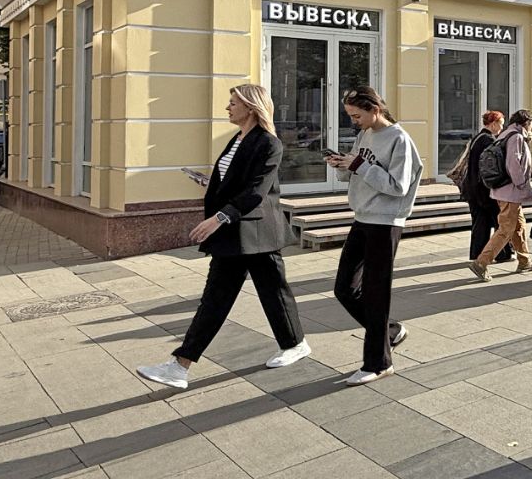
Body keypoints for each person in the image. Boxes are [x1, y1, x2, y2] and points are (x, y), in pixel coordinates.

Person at [137, 85, 307, 390]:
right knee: (224, 297)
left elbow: (256, 190)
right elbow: (236, 181)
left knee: (269, 293)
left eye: (233, 103)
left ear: (251, 107)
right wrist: (212, 184)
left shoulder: (269, 143)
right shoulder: (237, 139)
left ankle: (293, 344)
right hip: (237, 232)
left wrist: (219, 218)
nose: (227, 108)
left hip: (256, 231)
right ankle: (181, 366)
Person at [326, 87, 422, 386]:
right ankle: (390, 331)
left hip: (386, 221)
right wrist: (342, 165)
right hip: (362, 217)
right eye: (350, 116)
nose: (354, 121)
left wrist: (360, 165)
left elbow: (398, 186)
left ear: (375, 110)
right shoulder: (364, 134)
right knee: (344, 288)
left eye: (357, 115)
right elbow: (357, 171)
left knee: (375, 293)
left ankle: (378, 363)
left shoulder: (399, 139)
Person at [469, 110, 532, 280]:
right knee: (506, 229)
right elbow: (513, 164)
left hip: (502, 190)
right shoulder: (516, 137)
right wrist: (521, 184)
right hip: (510, 191)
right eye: (531, 125)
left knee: (519, 226)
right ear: (526, 123)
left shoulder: (505, 134)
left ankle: (524, 261)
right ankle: (481, 263)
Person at [459, 111, 514, 265]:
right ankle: (502, 253)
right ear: (493, 123)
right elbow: (491, 166)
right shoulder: (488, 140)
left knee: (480, 223)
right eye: (501, 124)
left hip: (473, 188)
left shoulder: (477, 138)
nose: (502, 128)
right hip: (484, 190)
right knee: (499, 222)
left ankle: (477, 253)